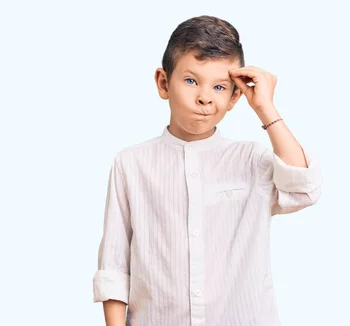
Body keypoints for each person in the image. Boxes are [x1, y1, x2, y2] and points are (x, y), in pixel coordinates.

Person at [92, 15, 322, 326]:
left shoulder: (252, 159)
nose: (204, 97)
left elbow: (304, 189)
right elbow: (115, 266)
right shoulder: (131, 163)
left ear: (234, 96)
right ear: (163, 82)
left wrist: (265, 108)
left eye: (219, 86)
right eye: (191, 80)